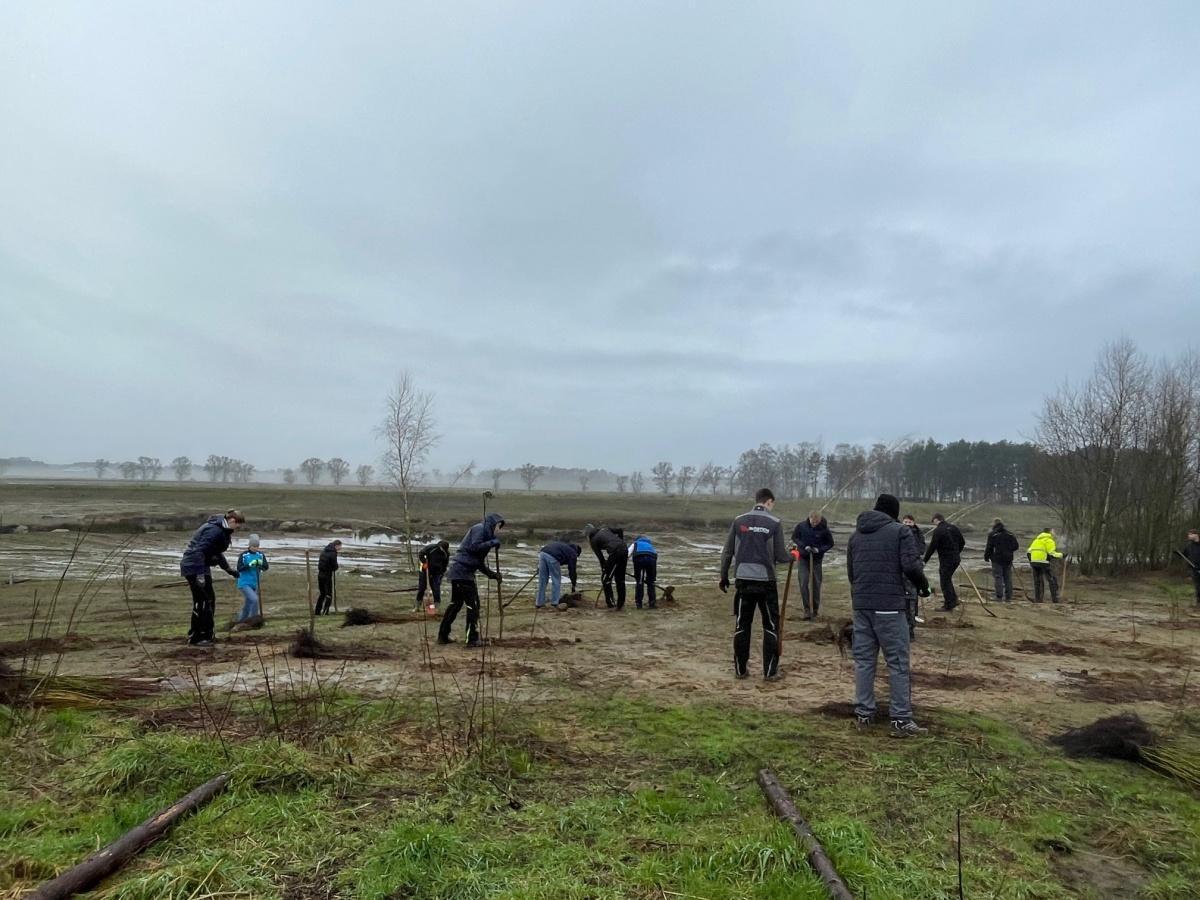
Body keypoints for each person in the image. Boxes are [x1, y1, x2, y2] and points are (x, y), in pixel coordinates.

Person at [847, 494, 931, 738]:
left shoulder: (855, 536)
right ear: (894, 513)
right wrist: (923, 587)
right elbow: (912, 567)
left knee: (864, 661)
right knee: (897, 663)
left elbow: (852, 573)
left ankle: (864, 714)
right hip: (890, 607)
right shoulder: (900, 532)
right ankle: (901, 720)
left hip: (861, 606)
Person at [719, 488, 795, 681]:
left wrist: (723, 576)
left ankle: (740, 670)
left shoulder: (738, 521)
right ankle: (770, 672)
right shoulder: (775, 523)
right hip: (766, 582)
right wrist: (793, 555)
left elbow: (727, 552)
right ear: (769, 502)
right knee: (770, 625)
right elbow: (780, 556)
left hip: (743, 580)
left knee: (742, 624)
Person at [438, 513, 504, 647]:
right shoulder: (479, 529)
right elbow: (474, 547)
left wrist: (492, 575)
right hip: (462, 573)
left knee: (455, 605)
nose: (499, 530)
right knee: (473, 605)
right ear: (493, 523)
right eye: (498, 526)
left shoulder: (486, 534)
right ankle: (472, 639)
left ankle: (443, 636)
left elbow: (477, 562)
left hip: (461, 572)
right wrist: (492, 543)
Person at [180, 509, 244, 646]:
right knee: (203, 601)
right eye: (238, 526)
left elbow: (216, 552)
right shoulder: (214, 531)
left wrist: (228, 570)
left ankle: (200, 634)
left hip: (200, 566)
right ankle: (200, 637)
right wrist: (200, 575)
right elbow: (199, 550)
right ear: (232, 521)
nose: (238, 529)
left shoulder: (222, 530)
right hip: (194, 566)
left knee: (208, 600)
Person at [791, 511, 834, 620]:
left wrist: (819, 550)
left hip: (816, 560)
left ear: (820, 520)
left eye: (817, 522)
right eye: (813, 522)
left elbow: (830, 543)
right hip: (803, 558)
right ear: (809, 518)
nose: (815, 524)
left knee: (816, 584)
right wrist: (803, 546)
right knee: (803, 582)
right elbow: (795, 537)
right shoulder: (801, 526)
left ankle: (814, 610)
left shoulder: (824, 529)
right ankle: (806, 609)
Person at [924, 513, 965, 611]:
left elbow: (932, 547)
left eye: (933, 522)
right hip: (955, 559)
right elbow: (962, 542)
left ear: (936, 520)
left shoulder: (938, 530)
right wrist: (956, 552)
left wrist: (924, 560)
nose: (934, 524)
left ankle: (949, 604)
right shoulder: (954, 528)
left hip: (946, 560)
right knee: (947, 579)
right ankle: (953, 599)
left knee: (944, 581)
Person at [585, 524, 628, 609]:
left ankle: (610, 604)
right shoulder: (605, 529)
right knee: (620, 579)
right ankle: (620, 604)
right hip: (624, 549)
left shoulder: (593, 540)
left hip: (615, 552)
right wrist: (621, 541)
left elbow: (601, 558)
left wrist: (605, 570)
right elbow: (620, 530)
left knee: (606, 579)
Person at [901, 514, 926, 639]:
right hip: (902, 572)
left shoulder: (918, 534)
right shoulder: (898, 532)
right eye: (905, 521)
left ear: (913, 522)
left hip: (913, 570)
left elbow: (922, 549)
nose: (907, 524)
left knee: (911, 600)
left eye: (909, 522)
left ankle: (910, 630)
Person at [536, 541, 580, 610]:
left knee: (542, 580)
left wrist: (539, 567)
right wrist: (573, 584)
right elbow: (572, 570)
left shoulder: (564, 547)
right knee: (556, 580)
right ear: (577, 552)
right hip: (553, 556)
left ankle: (539, 603)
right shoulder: (573, 553)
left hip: (542, 553)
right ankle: (555, 603)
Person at [235, 534, 268, 624]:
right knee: (254, 599)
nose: (255, 548)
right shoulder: (244, 555)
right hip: (244, 583)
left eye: (257, 546)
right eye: (254, 546)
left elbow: (266, 567)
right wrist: (249, 565)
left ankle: (240, 621)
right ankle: (253, 620)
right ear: (249, 545)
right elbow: (239, 568)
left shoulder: (260, 555)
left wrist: (260, 564)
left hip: (255, 583)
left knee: (248, 604)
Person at [983, 519, 1019, 602]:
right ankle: (1009, 597)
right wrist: (1009, 551)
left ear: (994, 526)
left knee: (998, 577)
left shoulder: (993, 535)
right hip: (1008, 559)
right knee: (1008, 577)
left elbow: (989, 547)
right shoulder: (1010, 534)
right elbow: (1016, 546)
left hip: (997, 559)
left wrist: (986, 557)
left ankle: (999, 596)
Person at [1027, 527, 1063, 603]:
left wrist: (1031, 561)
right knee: (1051, 580)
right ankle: (1055, 599)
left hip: (1034, 563)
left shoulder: (1036, 540)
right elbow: (1052, 553)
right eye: (1053, 532)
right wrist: (1062, 555)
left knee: (1037, 581)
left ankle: (1038, 599)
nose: (1054, 533)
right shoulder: (1049, 541)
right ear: (1049, 532)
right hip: (1044, 563)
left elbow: (1028, 552)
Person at [416, 540, 451, 613]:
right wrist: (424, 562)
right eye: (442, 549)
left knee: (436, 589)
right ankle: (417, 606)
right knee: (422, 588)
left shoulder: (446, 553)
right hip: (425, 570)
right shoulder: (431, 548)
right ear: (439, 546)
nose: (443, 550)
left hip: (437, 573)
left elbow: (445, 565)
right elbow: (421, 554)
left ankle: (436, 607)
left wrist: (441, 574)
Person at [631, 535, 659, 609]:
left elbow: (627, 553)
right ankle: (652, 603)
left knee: (640, 581)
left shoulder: (635, 543)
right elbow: (656, 555)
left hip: (639, 559)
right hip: (652, 559)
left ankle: (639, 604)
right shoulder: (650, 545)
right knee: (651, 582)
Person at [315, 540, 342, 615]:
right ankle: (325, 611)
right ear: (337, 545)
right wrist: (335, 568)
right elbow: (334, 565)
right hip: (327, 575)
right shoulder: (333, 553)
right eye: (340, 546)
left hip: (320, 574)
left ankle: (317, 611)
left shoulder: (324, 550)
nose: (340, 548)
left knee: (322, 593)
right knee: (328, 594)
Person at [1183, 529, 1200, 606]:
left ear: (1196, 534)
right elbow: (1185, 555)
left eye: (1190, 534)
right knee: (1197, 586)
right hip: (1194, 569)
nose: (1188, 536)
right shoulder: (1189, 546)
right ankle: (1198, 603)